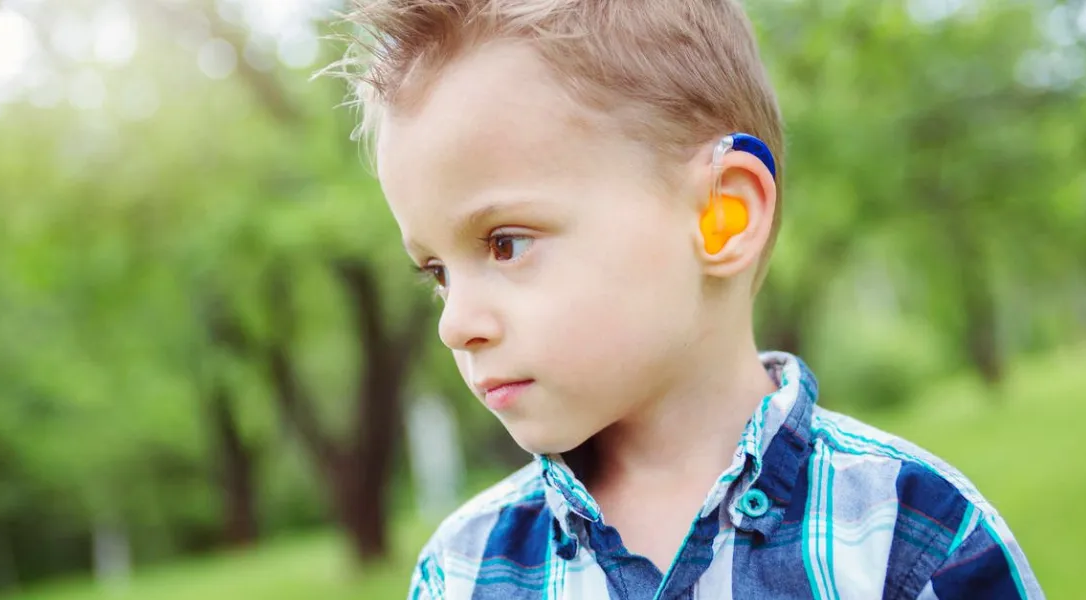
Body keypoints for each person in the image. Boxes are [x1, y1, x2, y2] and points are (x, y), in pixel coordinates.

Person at [331, 1, 1043, 597]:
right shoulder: (463, 571)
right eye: (437, 273)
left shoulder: (911, 534)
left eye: (505, 243)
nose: (456, 325)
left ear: (722, 215)